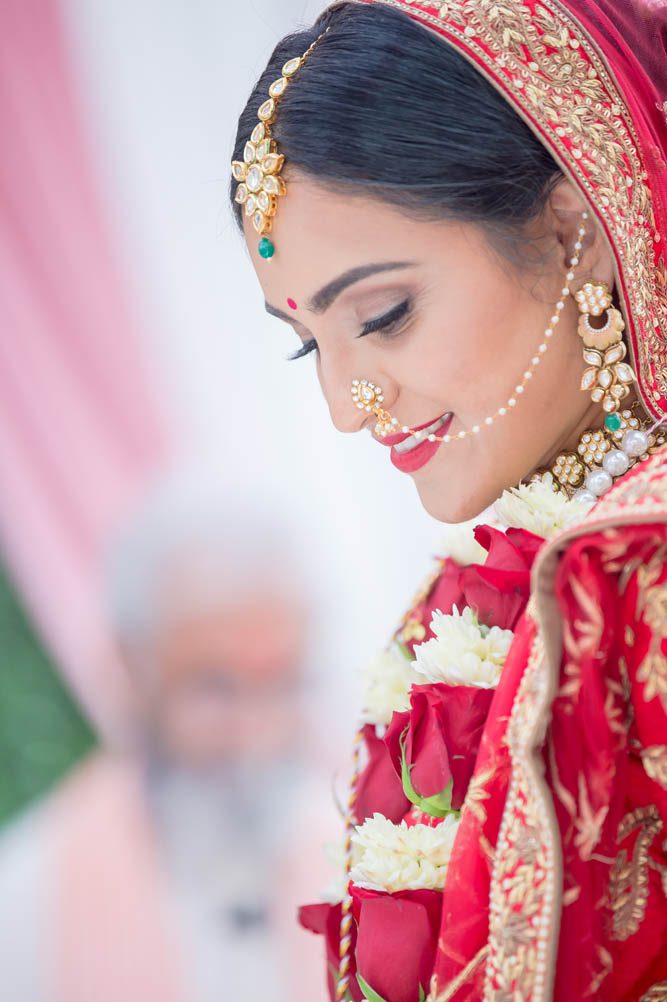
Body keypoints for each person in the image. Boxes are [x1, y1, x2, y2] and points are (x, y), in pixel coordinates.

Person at [229, 2, 667, 1000]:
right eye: (311, 346)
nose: (346, 406)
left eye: (383, 315)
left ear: (573, 229)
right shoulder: (501, 589)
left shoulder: (637, 570)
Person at [0, 477, 333, 1002]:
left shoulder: (360, 852)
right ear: (133, 670)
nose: (257, 734)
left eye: (281, 685)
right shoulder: (24, 904)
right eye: (216, 689)